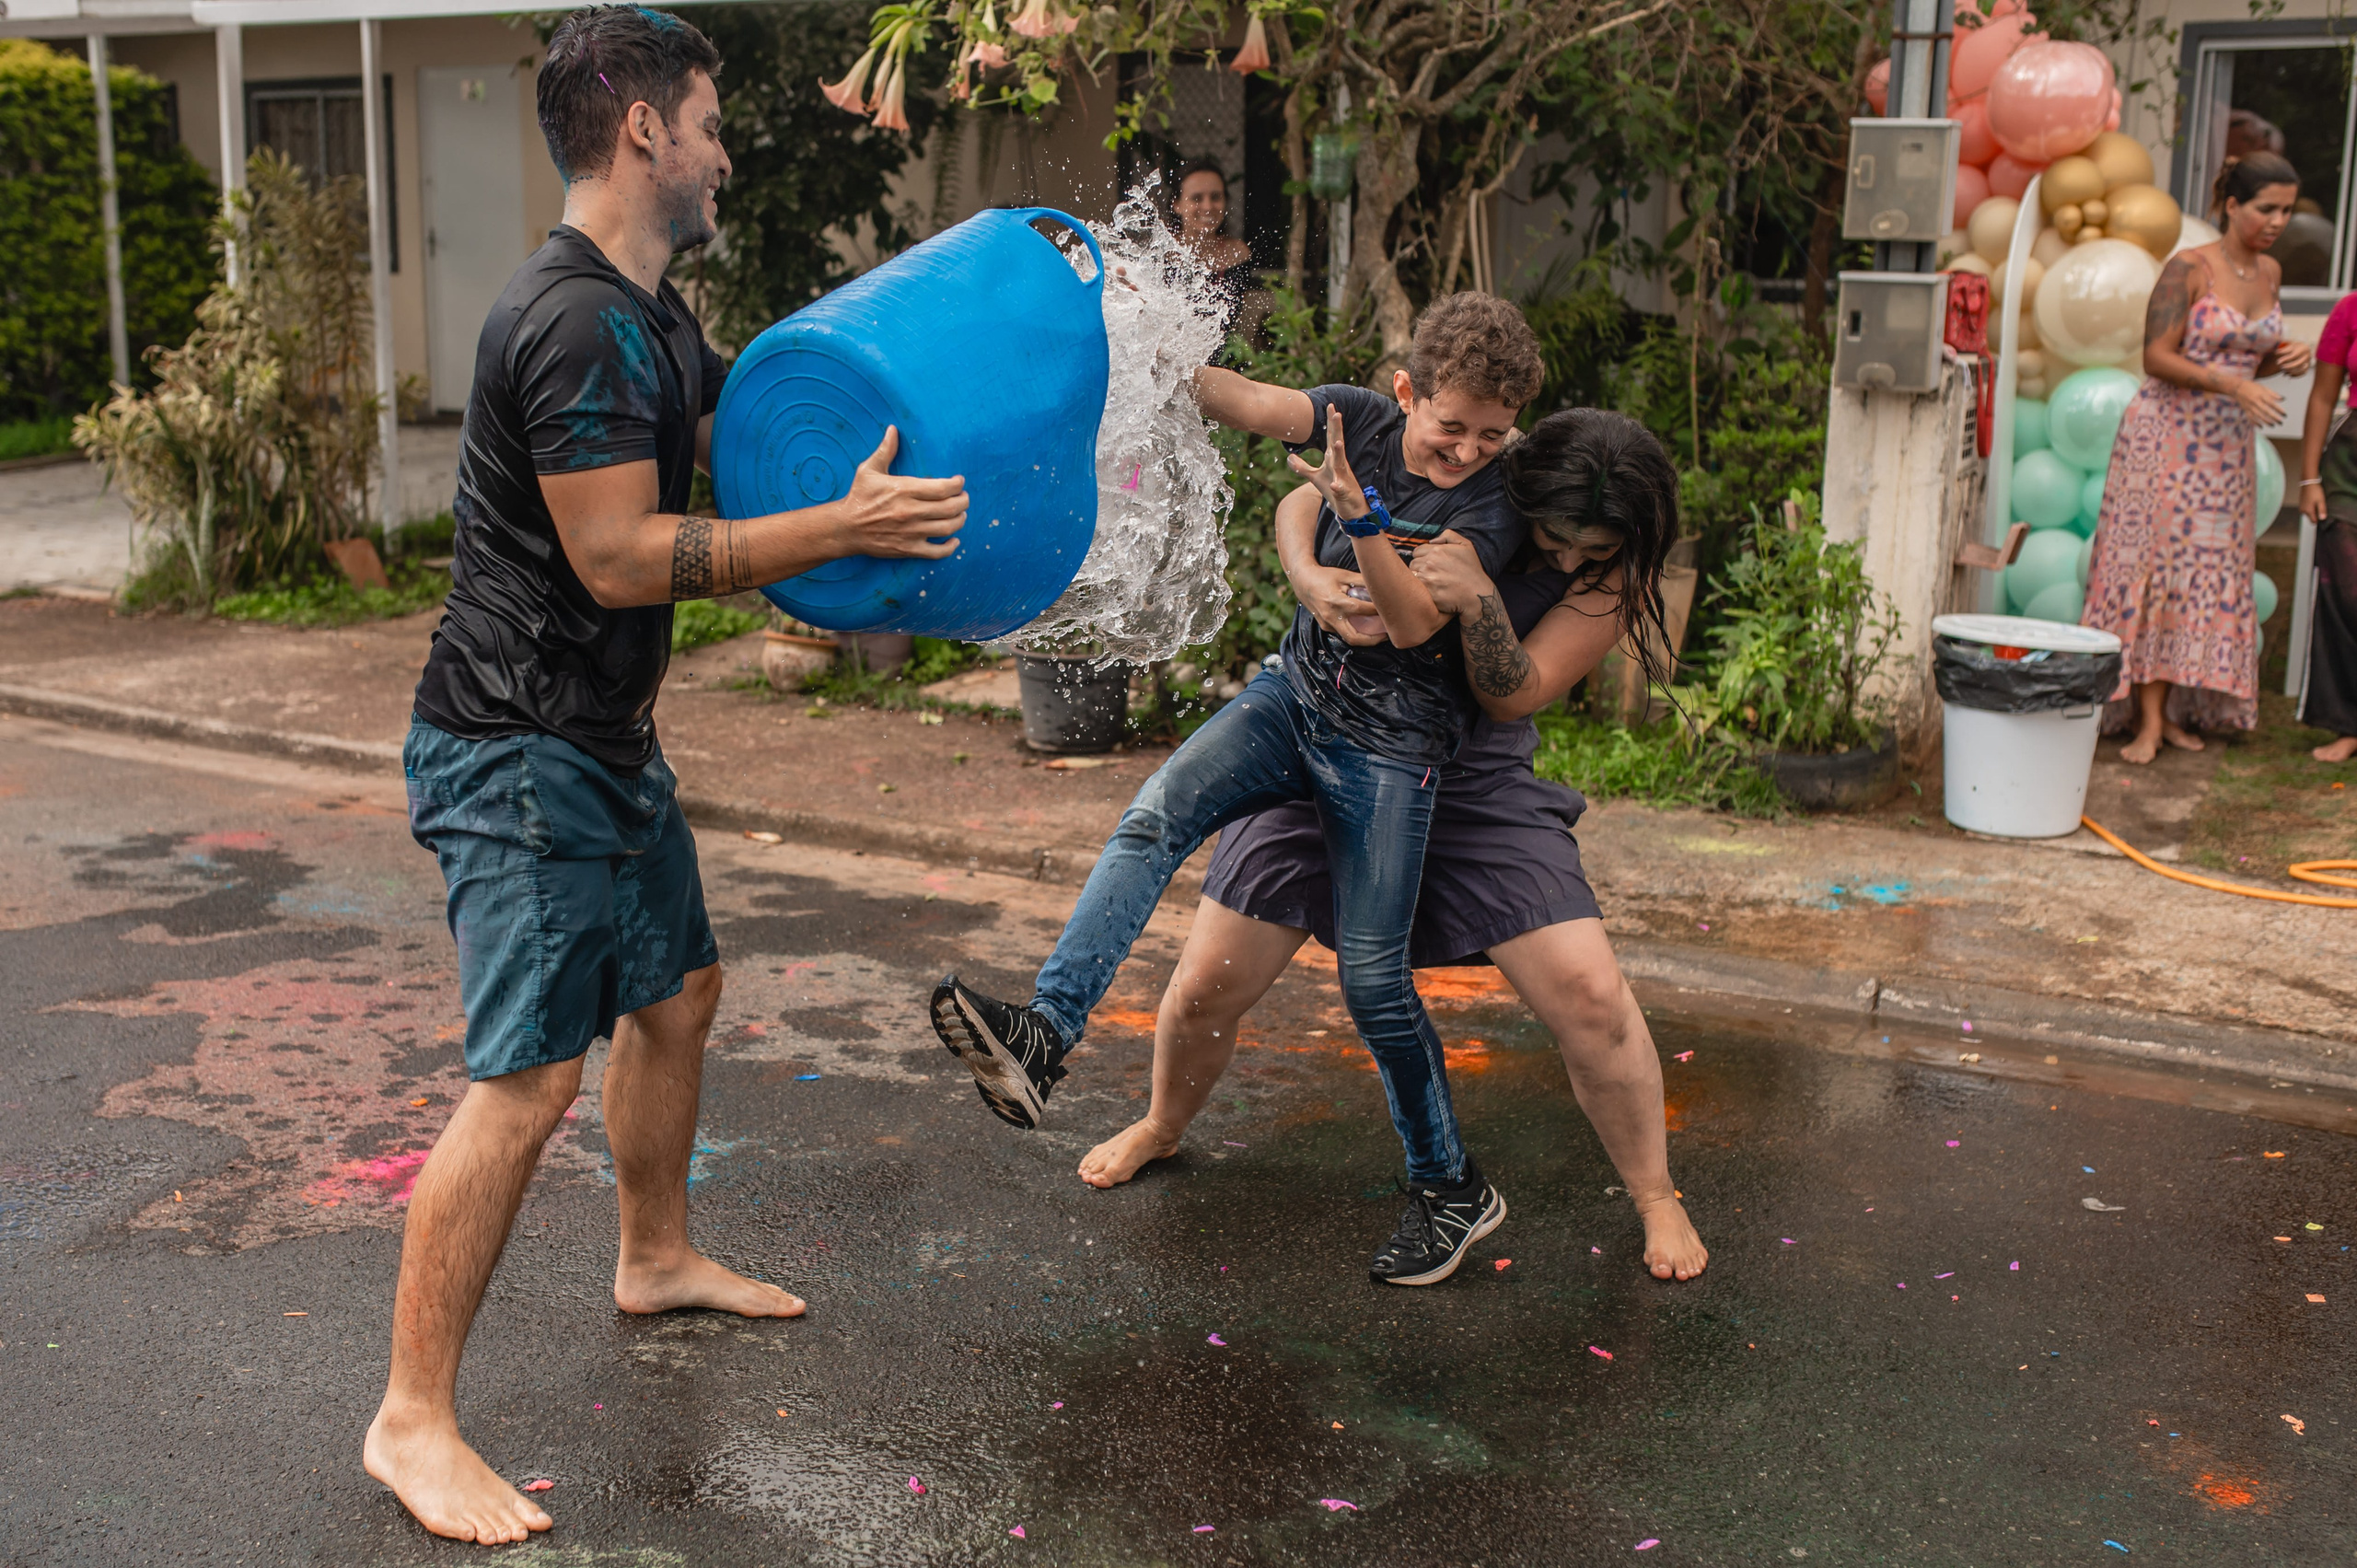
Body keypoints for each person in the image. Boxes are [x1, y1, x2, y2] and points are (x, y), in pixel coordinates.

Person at [366, 7, 968, 1545]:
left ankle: (653, 1250)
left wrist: (853, 460)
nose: (721, 149)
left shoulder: (652, 315)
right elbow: (621, 554)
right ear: (644, 128)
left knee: (680, 990)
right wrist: (840, 534)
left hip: (598, 737)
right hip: (516, 744)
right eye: (706, 120)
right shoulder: (571, 320)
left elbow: (726, 442)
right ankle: (411, 1418)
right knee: (525, 1082)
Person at [933, 295, 1565, 1286]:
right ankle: (1044, 1032)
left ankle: (1449, 1184)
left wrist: (1351, 524)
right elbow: (1251, 401)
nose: (1466, 450)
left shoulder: (1491, 504)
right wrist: (1144, 350)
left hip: (1393, 750)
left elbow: (1403, 624)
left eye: (1492, 434)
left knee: (1370, 978)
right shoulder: (1359, 415)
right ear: (1407, 394)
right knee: (1153, 817)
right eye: (1451, 427)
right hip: (1292, 698)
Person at [1078, 413, 1708, 1283]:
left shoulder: (1608, 575)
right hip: (1333, 735)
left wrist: (1483, 596)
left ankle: (1655, 1194)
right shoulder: (1469, 470)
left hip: (1473, 779)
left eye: (1589, 549)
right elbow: (1308, 497)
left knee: (1593, 996)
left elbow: (1513, 696)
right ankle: (1162, 1123)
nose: (1567, 561)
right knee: (1204, 987)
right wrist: (1306, 578)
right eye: (1556, 539)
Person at [2084, 152, 2313, 763]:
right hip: (2167, 438)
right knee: (2162, 571)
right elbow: (2155, 356)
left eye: (2287, 211)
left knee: (2204, 580)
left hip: (2226, 447)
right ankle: (2147, 722)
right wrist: (2235, 385)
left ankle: (2180, 711)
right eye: (2266, 208)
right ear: (2232, 205)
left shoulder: (2269, 272)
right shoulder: (2188, 267)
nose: (2277, 221)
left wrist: (2280, 359)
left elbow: (2247, 354)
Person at [2294, 286, 2357, 763]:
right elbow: (2321, 397)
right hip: (2347, 466)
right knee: (2346, 590)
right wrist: (2309, 477)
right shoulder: (2349, 308)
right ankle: (2347, 724)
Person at [1168, 157, 1260, 341]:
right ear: (1177, 205)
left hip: (1227, 360)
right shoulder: (1164, 254)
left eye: (1216, 197)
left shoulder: (1239, 254)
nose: (1208, 206)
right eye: (1196, 198)